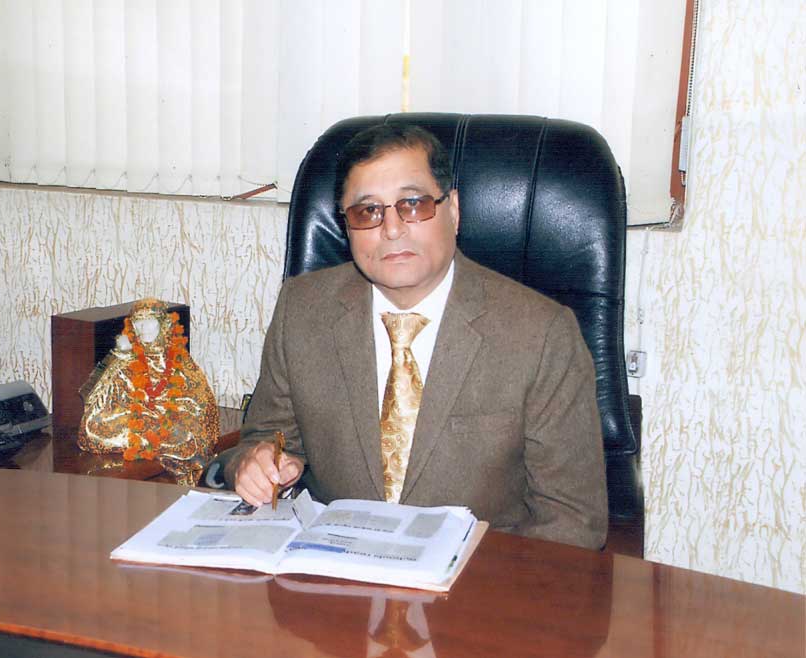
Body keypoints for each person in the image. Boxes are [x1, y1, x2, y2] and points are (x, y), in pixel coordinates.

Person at [208, 125, 607, 549]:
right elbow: (266, 437)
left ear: (453, 210)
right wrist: (254, 464)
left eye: (413, 204)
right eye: (368, 211)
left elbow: (573, 521)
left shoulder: (540, 333)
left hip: (478, 575)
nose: (392, 229)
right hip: (335, 566)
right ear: (346, 226)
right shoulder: (303, 310)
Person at [79, 297, 219, 485]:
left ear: (163, 324)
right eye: (138, 322)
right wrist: (119, 358)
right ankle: (156, 438)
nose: (143, 327)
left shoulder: (180, 360)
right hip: (134, 422)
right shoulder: (125, 361)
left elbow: (201, 406)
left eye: (149, 321)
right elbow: (95, 415)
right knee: (95, 428)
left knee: (186, 434)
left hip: (171, 424)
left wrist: (166, 421)